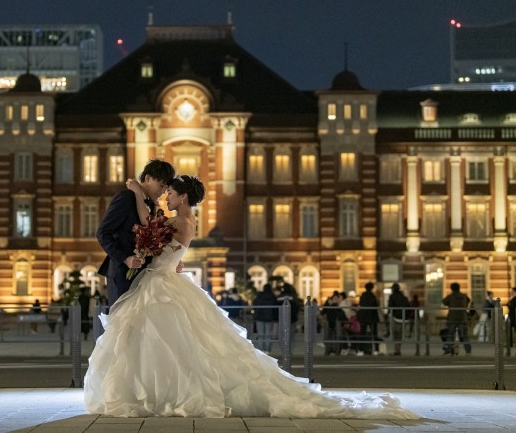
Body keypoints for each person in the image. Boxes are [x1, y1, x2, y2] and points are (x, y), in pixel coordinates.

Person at [84, 175, 417, 419]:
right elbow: (155, 234)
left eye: (170, 192)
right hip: (161, 282)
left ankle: (159, 392)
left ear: (183, 196)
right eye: (166, 192)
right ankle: (156, 390)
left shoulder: (182, 221)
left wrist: (136, 193)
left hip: (161, 284)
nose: (166, 197)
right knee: (170, 342)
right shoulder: (182, 219)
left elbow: (147, 229)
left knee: (169, 341)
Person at [96, 158, 175, 306]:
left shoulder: (150, 205)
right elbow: (103, 233)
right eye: (161, 186)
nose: (163, 192)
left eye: (166, 189)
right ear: (148, 178)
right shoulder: (126, 198)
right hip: (122, 274)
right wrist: (126, 258)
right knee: (123, 323)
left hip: (143, 276)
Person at [442, 282, 471, 356]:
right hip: (462, 317)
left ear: (451, 289)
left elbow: (444, 302)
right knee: (464, 335)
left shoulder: (450, 296)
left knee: (450, 334)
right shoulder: (464, 296)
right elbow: (468, 301)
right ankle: (468, 351)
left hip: (452, 318)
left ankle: (449, 349)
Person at [252, 283, 278, 352]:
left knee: (260, 334)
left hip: (259, 317)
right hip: (270, 318)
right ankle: (267, 350)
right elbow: (275, 308)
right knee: (268, 334)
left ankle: (261, 349)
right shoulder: (272, 296)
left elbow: (254, 304)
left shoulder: (259, 295)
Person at [387, 283, 410, 356]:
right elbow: (408, 307)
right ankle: (398, 350)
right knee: (399, 335)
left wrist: (388, 314)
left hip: (395, 318)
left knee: (395, 334)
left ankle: (396, 350)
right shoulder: (404, 297)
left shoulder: (392, 297)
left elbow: (390, 307)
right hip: (404, 318)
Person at [357, 282, 380, 355]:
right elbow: (375, 305)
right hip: (372, 316)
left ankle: (360, 350)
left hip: (364, 316)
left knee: (362, 333)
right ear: (372, 288)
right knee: (374, 333)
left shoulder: (363, 295)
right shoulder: (372, 296)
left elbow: (360, 303)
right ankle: (376, 350)